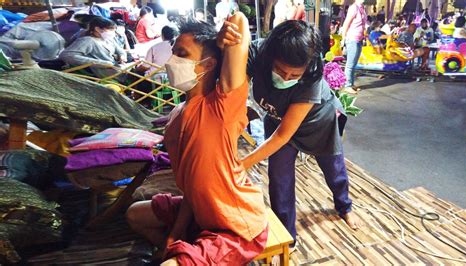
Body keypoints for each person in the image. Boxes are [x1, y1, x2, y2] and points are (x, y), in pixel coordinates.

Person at [126, 13, 268, 265]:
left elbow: (239, 21)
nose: (171, 60)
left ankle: (189, 255)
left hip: (236, 225)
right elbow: (192, 190)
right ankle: (186, 250)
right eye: (174, 51)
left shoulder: (221, 106)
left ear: (209, 64)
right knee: (136, 215)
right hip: (201, 212)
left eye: (182, 54)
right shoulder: (177, 114)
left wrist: (224, 38)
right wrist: (173, 236)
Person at [218, 19, 363, 252]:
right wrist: (223, 43)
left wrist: (240, 165)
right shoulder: (259, 52)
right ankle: (288, 237)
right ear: (270, 57)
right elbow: (228, 71)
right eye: (280, 70)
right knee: (279, 178)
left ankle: (344, 206)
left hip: (316, 123)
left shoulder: (312, 78)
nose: (285, 78)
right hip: (277, 120)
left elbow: (283, 136)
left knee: (333, 167)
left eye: (294, 74)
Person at [59, 17, 127, 78]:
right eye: (111, 30)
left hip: (114, 68)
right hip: (102, 73)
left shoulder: (108, 39)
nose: (113, 33)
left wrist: (122, 56)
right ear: (97, 29)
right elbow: (66, 55)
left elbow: (120, 50)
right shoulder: (88, 40)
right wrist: (101, 63)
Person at [341, 0, 367, 93]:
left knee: (354, 64)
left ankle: (351, 83)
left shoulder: (362, 7)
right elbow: (346, 24)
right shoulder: (353, 8)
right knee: (350, 64)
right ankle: (347, 85)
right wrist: (343, 39)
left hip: (359, 39)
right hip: (352, 39)